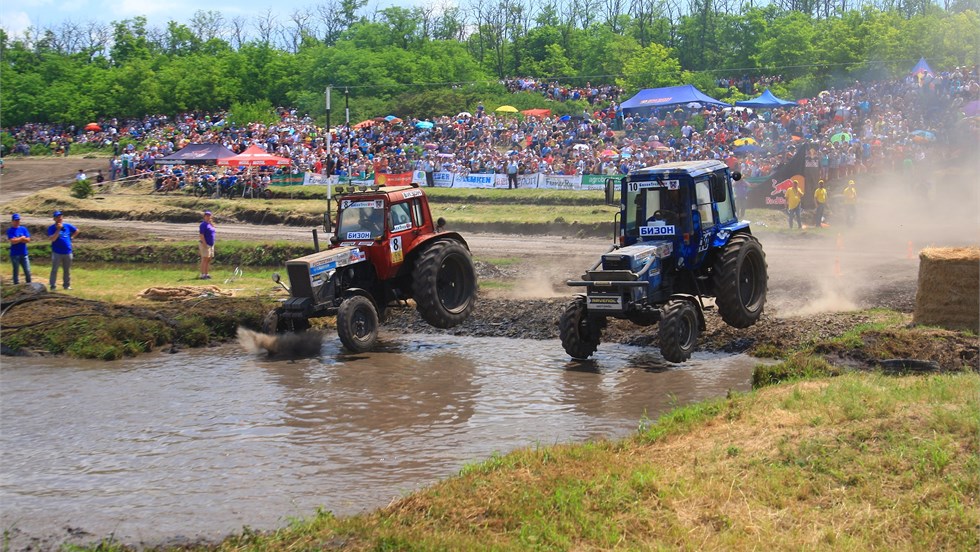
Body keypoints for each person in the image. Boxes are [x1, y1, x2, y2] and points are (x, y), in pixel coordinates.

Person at [47, 210, 78, 290]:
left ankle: (66, 285)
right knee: (54, 269)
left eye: (60, 217)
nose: (59, 218)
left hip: (67, 252)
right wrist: (58, 230)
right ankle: (53, 285)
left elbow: (76, 231)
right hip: (57, 252)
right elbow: (53, 239)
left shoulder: (67, 226)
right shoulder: (51, 228)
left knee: (67, 270)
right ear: (54, 219)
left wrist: (72, 237)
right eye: (57, 217)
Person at [6, 213, 31, 284]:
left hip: (24, 253)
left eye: (18, 220)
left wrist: (18, 239)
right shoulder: (10, 230)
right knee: (16, 271)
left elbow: (28, 240)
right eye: (15, 220)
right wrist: (22, 238)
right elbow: (13, 241)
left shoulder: (23, 229)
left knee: (27, 270)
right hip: (15, 254)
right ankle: (16, 285)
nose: (17, 221)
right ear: (12, 221)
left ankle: (29, 284)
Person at [199, 210, 216, 280]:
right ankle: (203, 274)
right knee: (205, 259)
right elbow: (201, 235)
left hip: (211, 244)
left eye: (209, 215)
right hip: (205, 244)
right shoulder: (203, 224)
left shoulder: (210, 224)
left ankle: (207, 273)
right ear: (204, 217)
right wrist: (204, 244)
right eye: (206, 215)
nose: (208, 217)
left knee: (209, 259)